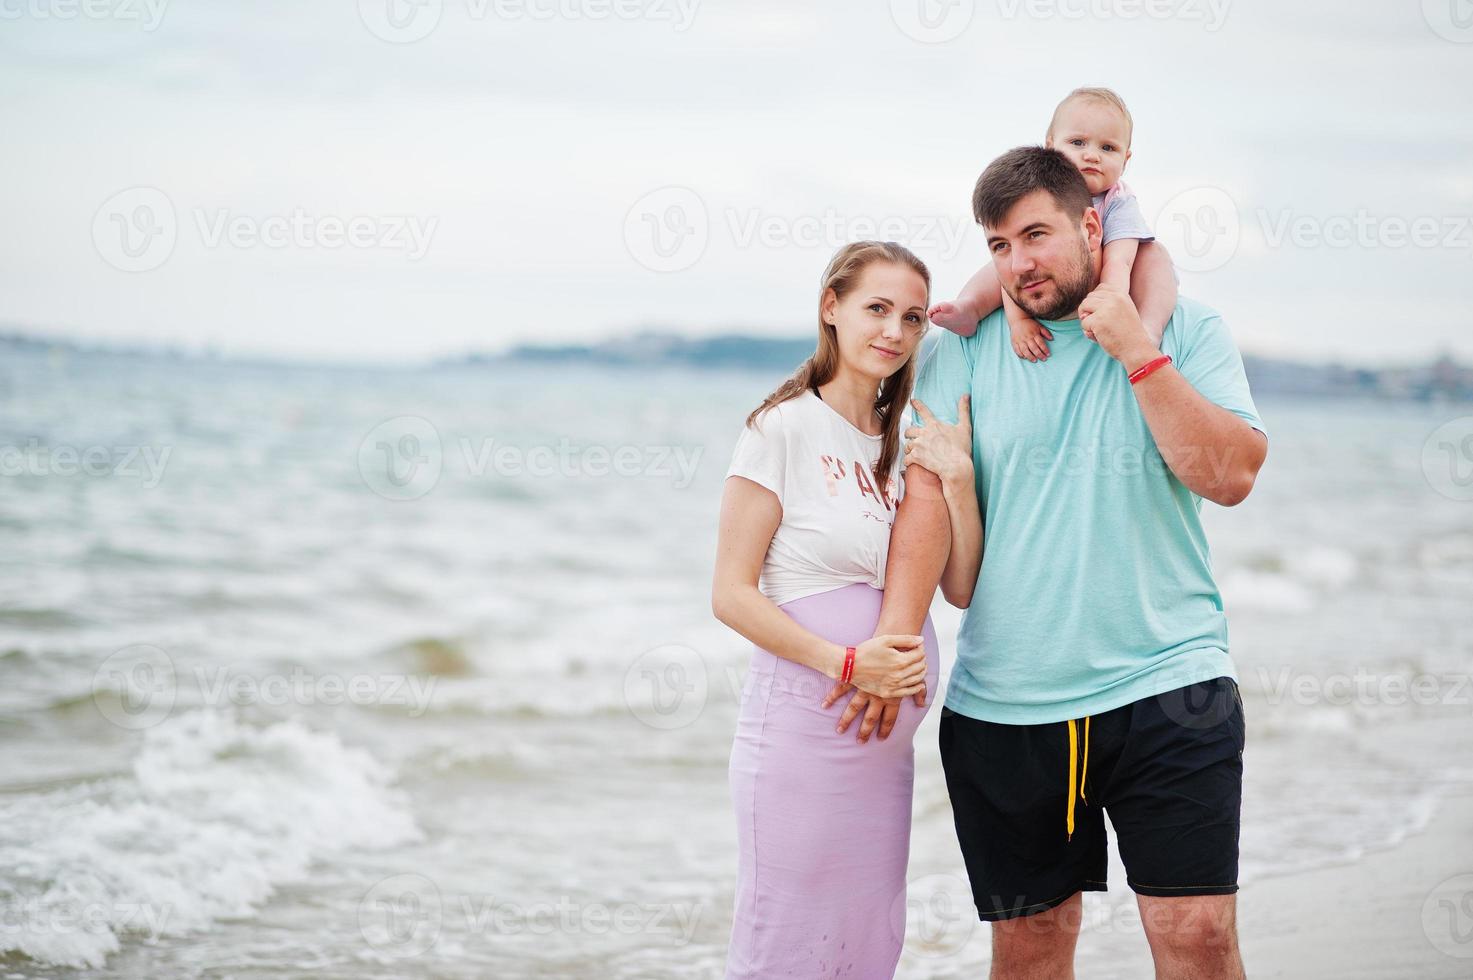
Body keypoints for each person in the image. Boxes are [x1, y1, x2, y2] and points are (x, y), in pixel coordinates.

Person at [835, 146, 1268, 979]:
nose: (1018, 262)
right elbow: (927, 492)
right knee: (1029, 950)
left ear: (1091, 224)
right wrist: (890, 640)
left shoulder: (1185, 326)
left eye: (1035, 235)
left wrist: (1138, 351)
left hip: (1169, 684)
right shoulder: (963, 347)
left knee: (1197, 938)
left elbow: (1230, 476)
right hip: (1006, 704)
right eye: (998, 245)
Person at [712, 240, 981, 979]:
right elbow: (729, 594)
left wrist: (957, 480)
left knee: (864, 947)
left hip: (881, 755)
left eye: (912, 317)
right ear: (831, 308)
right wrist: (850, 663)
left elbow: (958, 586)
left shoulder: (902, 444)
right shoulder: (781, 428)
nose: (893, 331)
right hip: (804, 732)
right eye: (876, 309)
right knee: (784, 945)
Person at [928, 86, 1176, 364]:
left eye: (1108, 148)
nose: (1092, 155)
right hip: (1053, 277)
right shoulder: (1036, 196)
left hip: (1106, 269)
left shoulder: (1119, 201)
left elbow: (1120, 261)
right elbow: (1014, 268)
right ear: (1051, 145)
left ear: (1125, 159)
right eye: (1078, 143)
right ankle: (969, 307)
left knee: (1154, 257)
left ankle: (1149, 330)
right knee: (1009, 255)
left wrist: (1111, 297)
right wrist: (1018, 321)